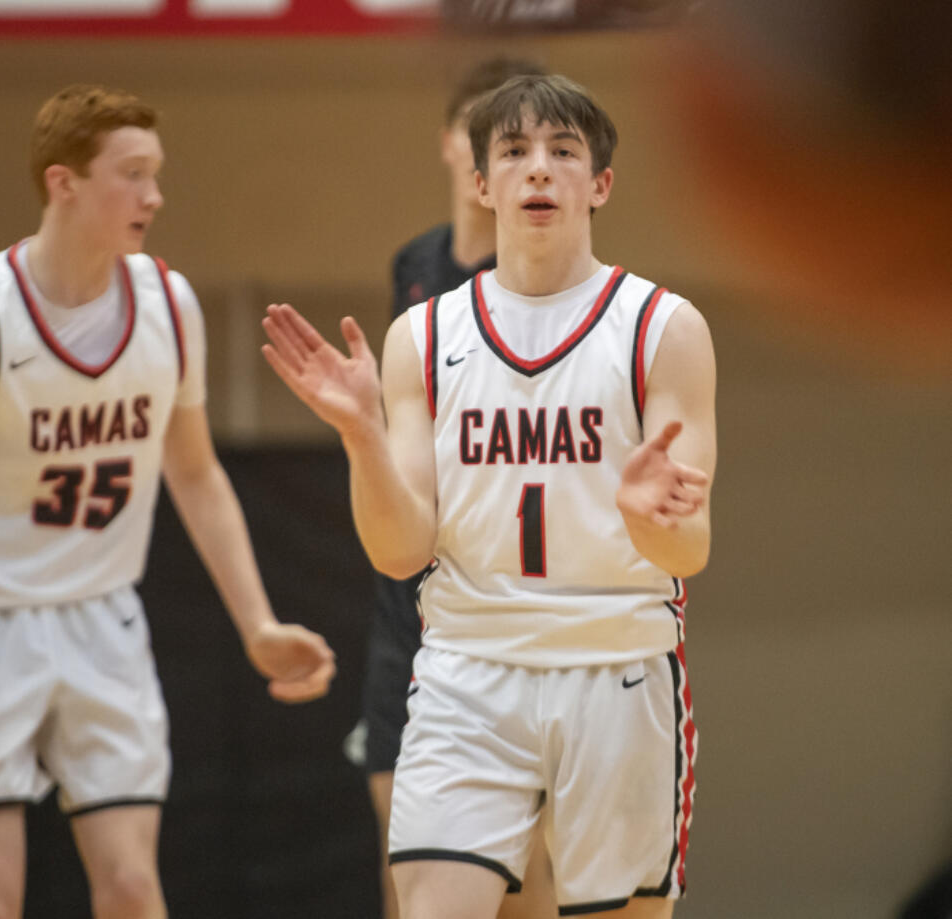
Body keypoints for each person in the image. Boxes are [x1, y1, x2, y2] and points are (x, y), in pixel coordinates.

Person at [0, 84, 336, 919]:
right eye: (131, 175)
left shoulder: (169, 304)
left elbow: (196, 473)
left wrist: (258, 623)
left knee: (133, 888)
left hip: (103, 620)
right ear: (63, 183)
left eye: (156, 174)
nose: (154, 196)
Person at [262, 73, 715, 919]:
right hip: (469, 673)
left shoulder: (664, 327)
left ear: (600, 184)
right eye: (514, 152)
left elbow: (692, 552)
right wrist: (361, 432)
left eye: (563, 152)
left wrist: (651, 520)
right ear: (480, 182)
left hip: (614, 667)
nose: (538, 169)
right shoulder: (423, 337)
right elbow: (401, 550)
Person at [357, 56, 554, 919]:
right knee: (411, 868)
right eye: (491, 134)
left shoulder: (546, 288)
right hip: (408, 612)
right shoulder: (415, 268)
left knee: (526, 881)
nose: (508, 158)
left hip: (508, 614)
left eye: (527, 143)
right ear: (454, 145)